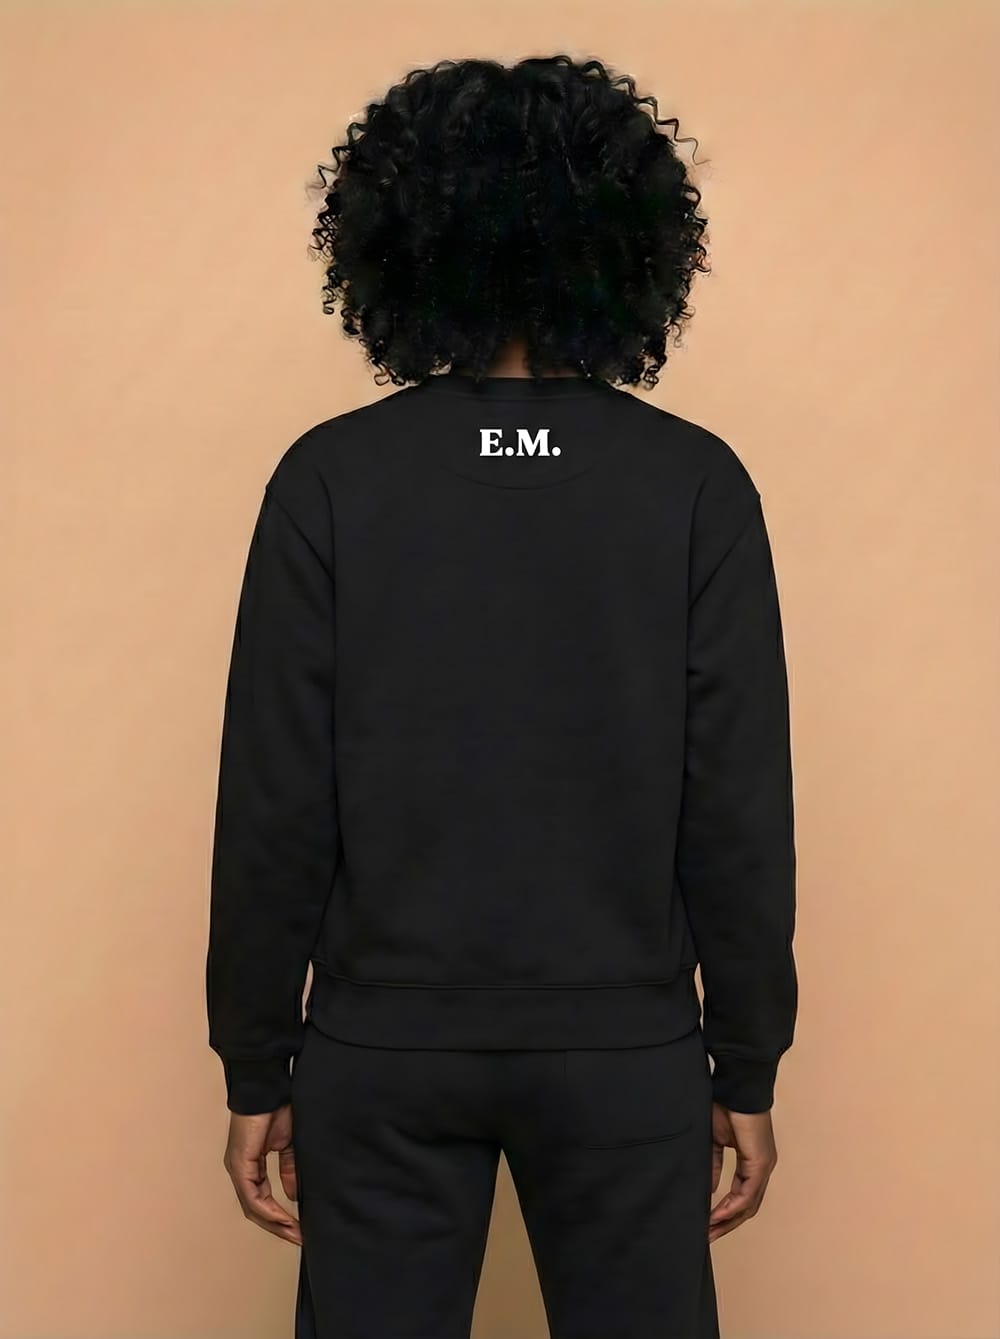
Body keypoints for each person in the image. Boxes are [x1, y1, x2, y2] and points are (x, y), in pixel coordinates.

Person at [205, 52, 798, 1339]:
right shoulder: (693, 484)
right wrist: (745, 1060)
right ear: (630, 247)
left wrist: (256, 1059)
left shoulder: (330, 479)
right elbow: (737, 806)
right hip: (624, 1056)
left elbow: (274, 800)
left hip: (382, 1051)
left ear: (401, 244)